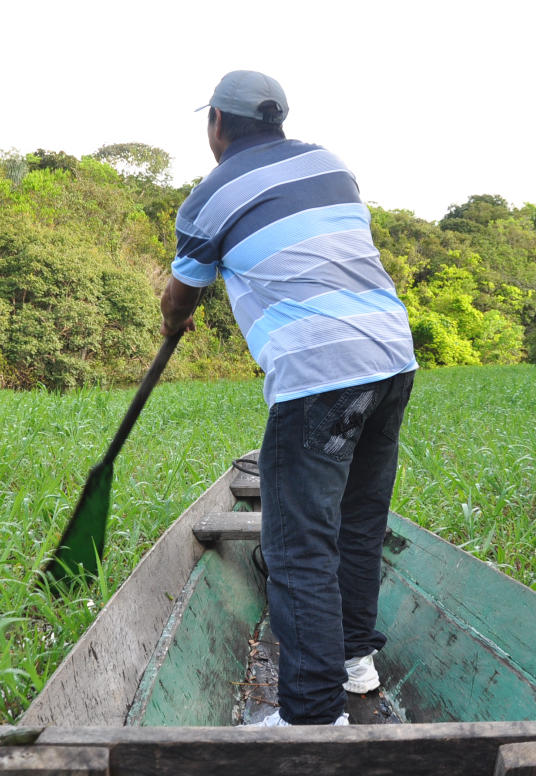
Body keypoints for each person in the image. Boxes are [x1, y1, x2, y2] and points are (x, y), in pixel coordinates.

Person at [159, 70, 417, 727]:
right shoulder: (330, 163)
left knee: (300, 545)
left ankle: (310, 715)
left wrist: (174, 322)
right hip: (391, 359)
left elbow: (181, 292)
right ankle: (356, 663)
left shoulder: (207, 200)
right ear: (278, 120)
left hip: (320, 377)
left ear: (216, 123)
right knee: (357, 524)